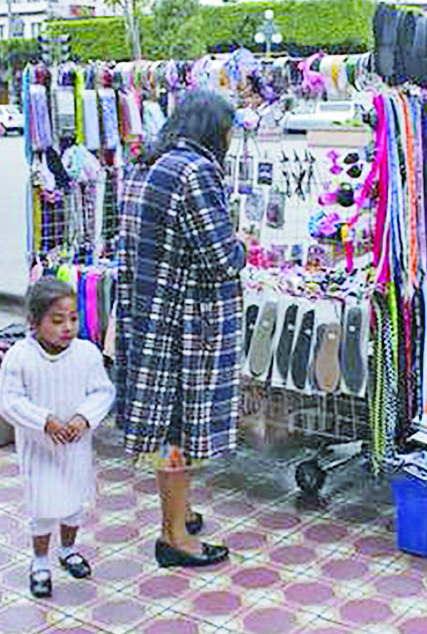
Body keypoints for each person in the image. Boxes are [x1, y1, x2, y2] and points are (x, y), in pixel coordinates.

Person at [115, 90, 245, 568]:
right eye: (229, 130)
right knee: (178, 430)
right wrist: (242, 247)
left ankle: (181, 512)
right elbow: (221, 257)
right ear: (214, 129)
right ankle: (174, 538)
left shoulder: (147, 163)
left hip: (147, 317)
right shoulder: (196, 171)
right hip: (184, 326)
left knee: (167, 424)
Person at [0, 277, 116, 599]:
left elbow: (103, 391)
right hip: (39, 449)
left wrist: (84, 417)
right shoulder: (20, 357)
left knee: (74, 502)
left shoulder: (87, 354)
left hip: (76, 447)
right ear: (35, 322)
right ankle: (39, 562)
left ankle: (67, 550)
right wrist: (44, 421)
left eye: (73, 319)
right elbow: (8, 401)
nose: (67, 327)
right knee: (43, 506)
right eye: (57, 320)